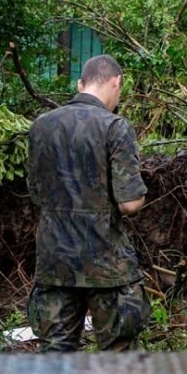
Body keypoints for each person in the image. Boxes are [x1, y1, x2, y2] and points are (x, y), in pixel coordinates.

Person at [26, 54, 150, 352]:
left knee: (55, 354)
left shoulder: (41, 126)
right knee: (118, 355)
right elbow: (130, 203)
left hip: (55, 260)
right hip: (105, 263)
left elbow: (35, 194)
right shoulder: (115, 127)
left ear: (80, 84)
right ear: (116, 82)